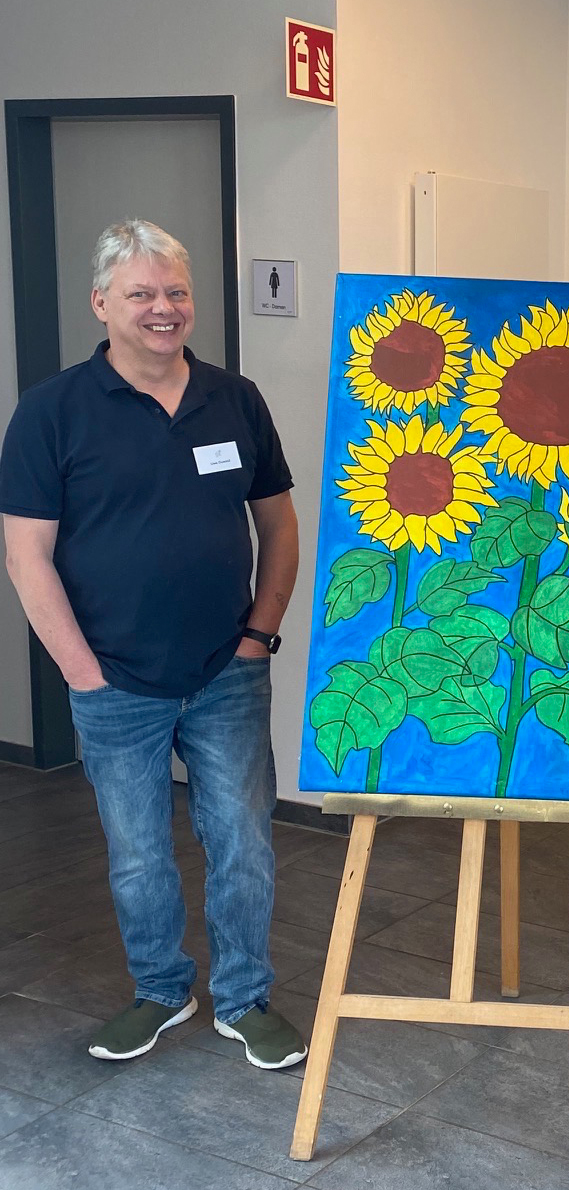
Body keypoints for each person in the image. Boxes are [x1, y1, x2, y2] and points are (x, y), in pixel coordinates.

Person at [0, 220, 307, 1069]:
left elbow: (279, 527)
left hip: (226, 673)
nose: (162, 309)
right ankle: (163, 991)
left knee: (243, 840)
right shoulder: (52, 413)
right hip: (116, 684)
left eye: (175, 292)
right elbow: (25, 555)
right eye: (141, 294)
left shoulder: (235, 399)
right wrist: (83, 674)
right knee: (139, 856)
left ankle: (245, 999)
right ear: (102, 304)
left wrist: (258, 637)